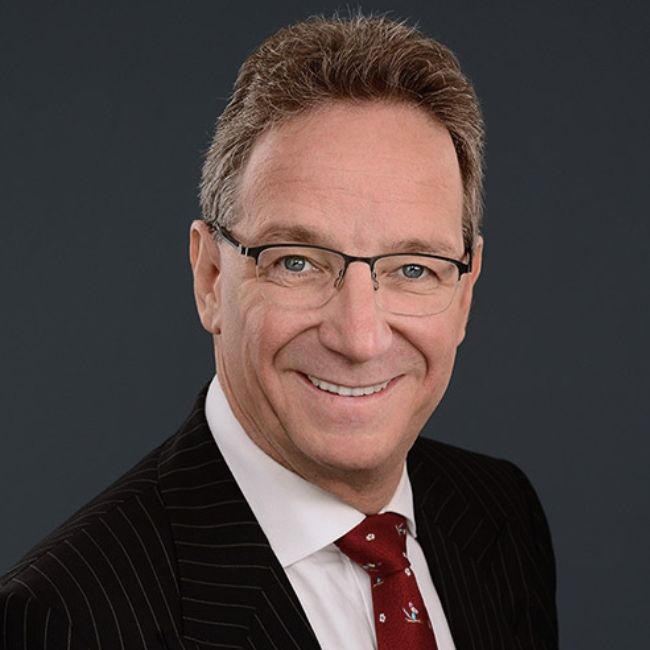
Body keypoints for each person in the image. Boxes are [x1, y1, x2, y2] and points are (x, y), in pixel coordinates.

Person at [0, 14, 558, 650]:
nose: (360, 338)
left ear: (465, 291)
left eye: (413, 269)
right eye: (296, 262)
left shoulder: (500, 513)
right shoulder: (67, 621)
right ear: (211, 277)